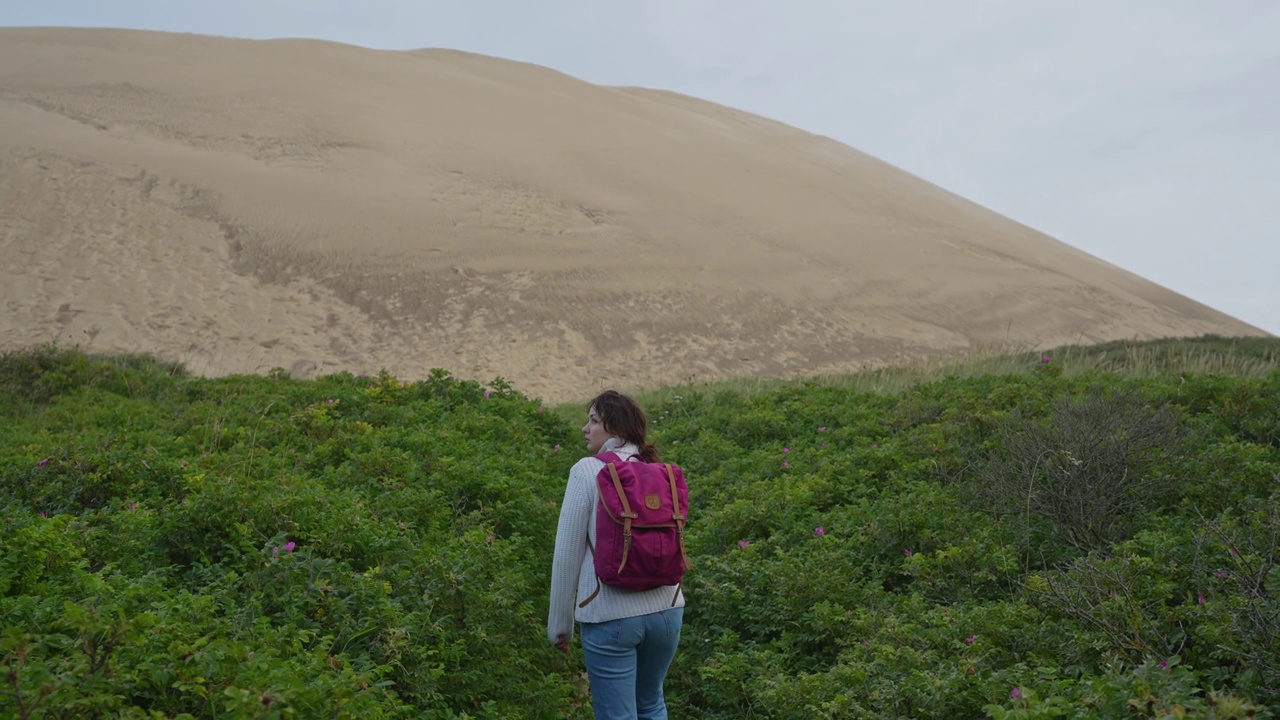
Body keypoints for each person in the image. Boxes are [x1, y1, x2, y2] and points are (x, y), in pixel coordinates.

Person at [548, 389, 685, 720]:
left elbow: (566, 554)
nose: (585, 428)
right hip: (668, 612)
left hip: (609, 615)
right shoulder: (661, 472)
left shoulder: (586, 470)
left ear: (615, 429)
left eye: (593, 420)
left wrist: (560, 626)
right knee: (651, 704)